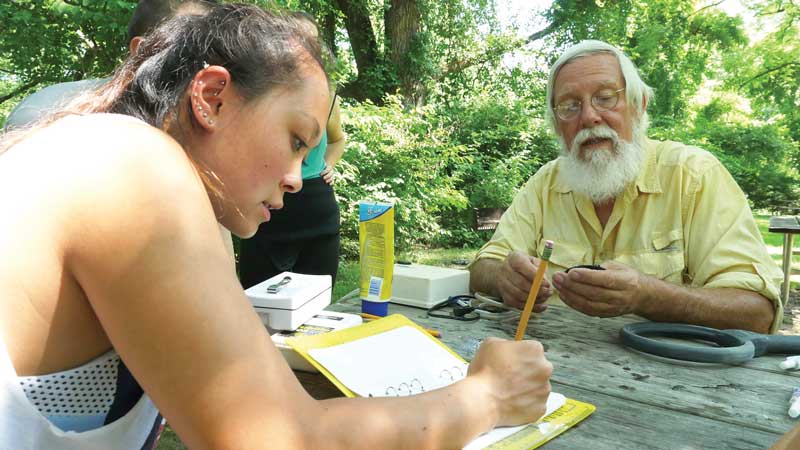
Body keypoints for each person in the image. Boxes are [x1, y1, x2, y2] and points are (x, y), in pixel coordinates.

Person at [0, 5, 552, 449]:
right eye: (294, 139)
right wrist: (489, 397)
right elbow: (281, 439)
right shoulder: (130, 163)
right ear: (211, 97)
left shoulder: (108, 158)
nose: (296, 179)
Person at [469, 40, 783, 334]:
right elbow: (481, 269)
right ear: (557, 125)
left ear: (639, 105)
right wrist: (502, 278)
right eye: (570, 106)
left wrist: (649, 296)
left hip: (675, 383)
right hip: (551, 369)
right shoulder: (545, 185)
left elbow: (757, 311)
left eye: (605, 98)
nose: (590, 117)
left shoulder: (694, 176)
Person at [238, 11, 345, 289]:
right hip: (267, 209)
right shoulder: (254, 94)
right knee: (257, 298)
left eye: (313, 43)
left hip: (315, 206)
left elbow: (337, 139)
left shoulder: (327, 99)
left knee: (317, 301)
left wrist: (328, 164)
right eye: (298, 40)